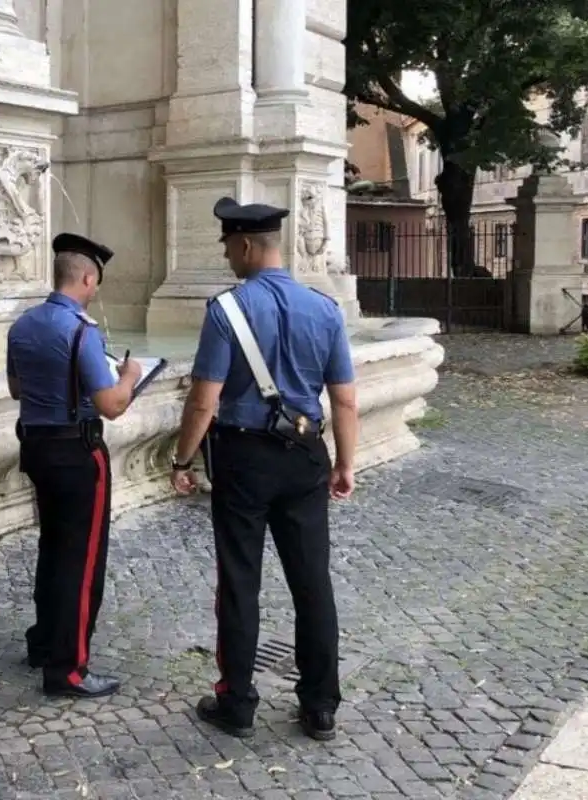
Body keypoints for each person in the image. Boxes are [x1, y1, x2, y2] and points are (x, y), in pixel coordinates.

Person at [170, 197, 359, 741]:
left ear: (247, 245)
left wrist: (182, 459)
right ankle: (320, 705)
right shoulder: (324, 310)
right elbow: (344, 400)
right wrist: (345, 463)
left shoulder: (227, 310)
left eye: (229, 245)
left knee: (239, 581)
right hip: (304, 456)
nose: (228, 255)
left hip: (244, 458)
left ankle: (238, 703)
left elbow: (203, 401)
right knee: (311, 584)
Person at [7, 232, 143, 699]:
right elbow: (110, 405)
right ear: (87, 278)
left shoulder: (22, 325)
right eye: (95, 282)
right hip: (79, 454)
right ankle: (68, 670)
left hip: (38, 449)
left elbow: (16, 389)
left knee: (53, 547)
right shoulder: (83, 331)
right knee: (82, 562)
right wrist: (128, 377)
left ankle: (43, 643)